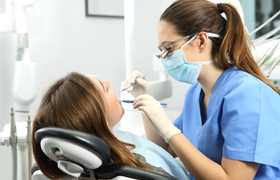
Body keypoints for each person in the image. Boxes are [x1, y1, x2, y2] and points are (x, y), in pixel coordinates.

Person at [123, 0, 280, 179]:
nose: (163, 58)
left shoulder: (248, 94)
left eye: (169, 48)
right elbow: (165, 148)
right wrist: (145, 100)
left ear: (201, 41)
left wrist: (168, 128)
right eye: (162, 50)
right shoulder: (195, 93)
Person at [31, 72, 188, 180]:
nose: (108, 82)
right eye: (105, 89)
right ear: (101, 119)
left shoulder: (82, 158)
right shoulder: (137, 171)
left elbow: (153, 151)